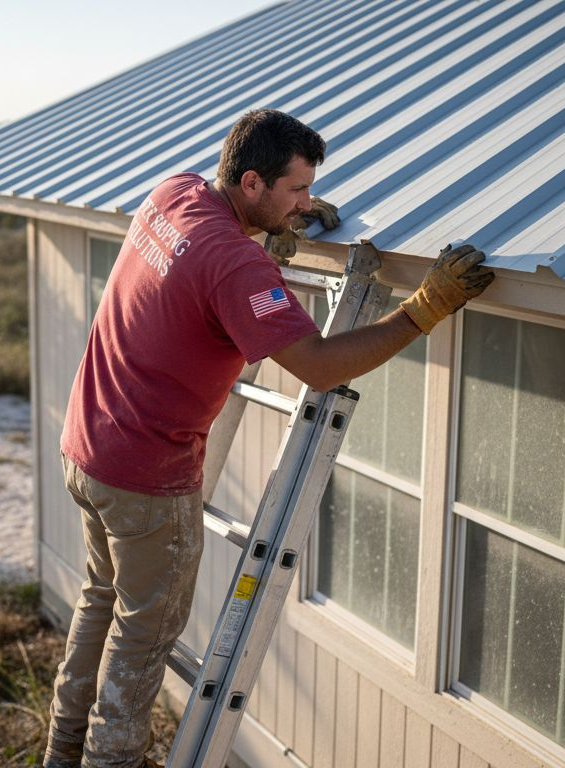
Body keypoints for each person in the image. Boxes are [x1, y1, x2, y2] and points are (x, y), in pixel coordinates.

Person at [43, 109, 493, 768]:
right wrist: (421, 309)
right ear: (251, 182)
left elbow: (201, 271)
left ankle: (60, 752)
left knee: (98, 601)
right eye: (296, 191)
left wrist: (275, 226)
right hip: (145, 481)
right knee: (142, 644)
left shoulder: (176, 192)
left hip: (87, 446)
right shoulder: (236, 267)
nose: (308, 203)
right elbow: (317, 365)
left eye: (309, 190)